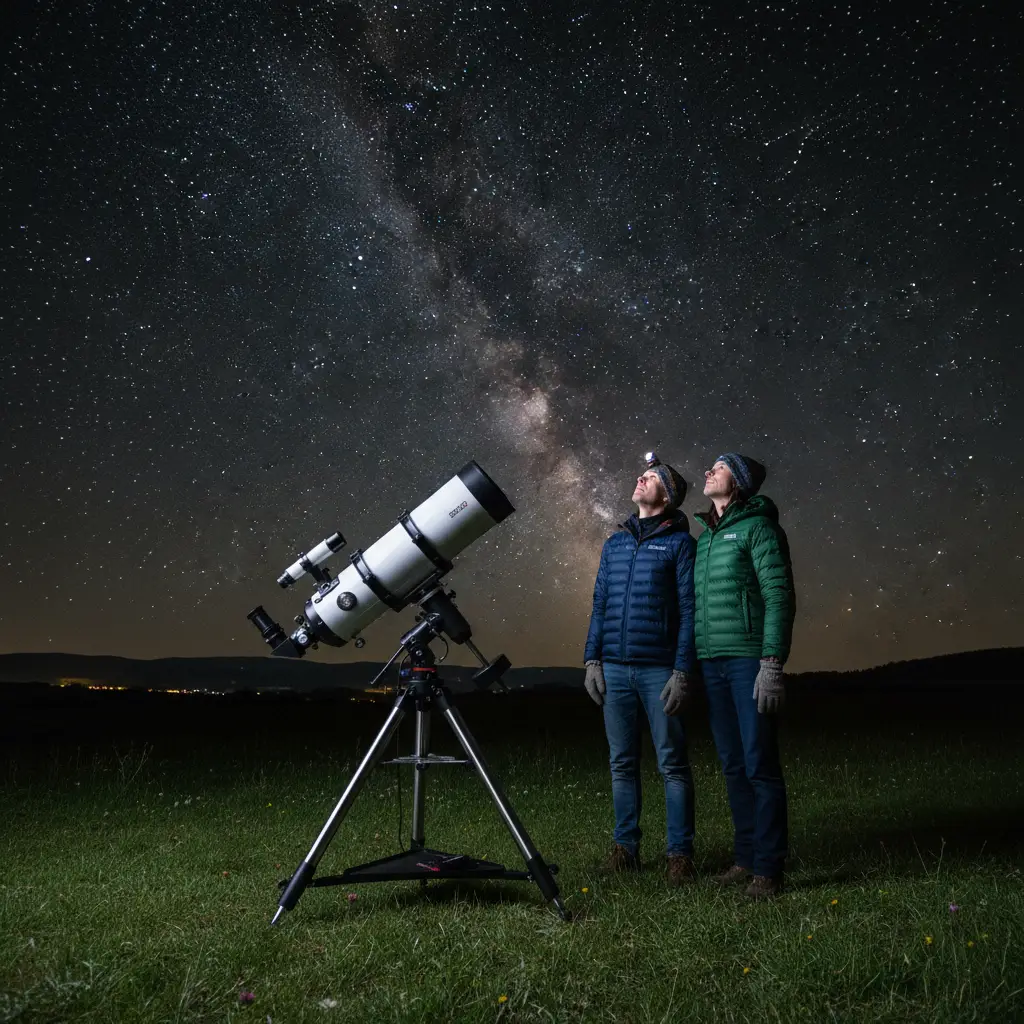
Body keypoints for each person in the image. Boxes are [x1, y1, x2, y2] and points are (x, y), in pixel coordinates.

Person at [584, 453, 698, 885]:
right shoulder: (614, 543)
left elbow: (689, 610)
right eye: (643, 474)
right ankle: (625, 848)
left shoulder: (680, 545)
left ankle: (679, 854)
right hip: (614, 668)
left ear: (666, 497)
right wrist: (591, 658)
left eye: (651, 477)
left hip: (659, 670)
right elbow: (599, 605)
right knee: (621, 764)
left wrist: (682, 670)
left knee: (671, 763)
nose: (641, 478)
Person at [694, 453, 795, 899]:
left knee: (759, 765)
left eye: (718, 467)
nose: (708, 471)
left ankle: (769, 869)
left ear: (738, 482)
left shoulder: (759, 529)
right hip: (711, 661)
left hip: (748, 661)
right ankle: (746, 857)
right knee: (734, 765)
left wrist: (771, 663)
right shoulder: (705, 539)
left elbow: (778, 595)